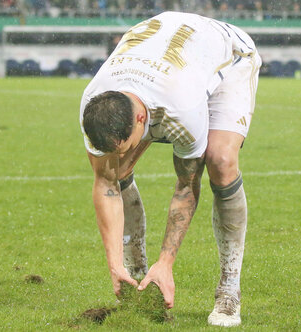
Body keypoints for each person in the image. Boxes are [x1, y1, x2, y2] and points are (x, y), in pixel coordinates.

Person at [80, 11, 261, 327]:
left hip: (228, 57)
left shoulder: (182, 109)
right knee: (115, 169)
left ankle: (229, 290)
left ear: (140, 120)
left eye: (128, 144)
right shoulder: (93, 106)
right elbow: (105, 181)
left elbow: (186, 186)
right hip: (166, 55)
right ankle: (135, 277)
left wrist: (167, 262)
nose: (127, 153)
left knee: (220, 161)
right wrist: (114, 265)